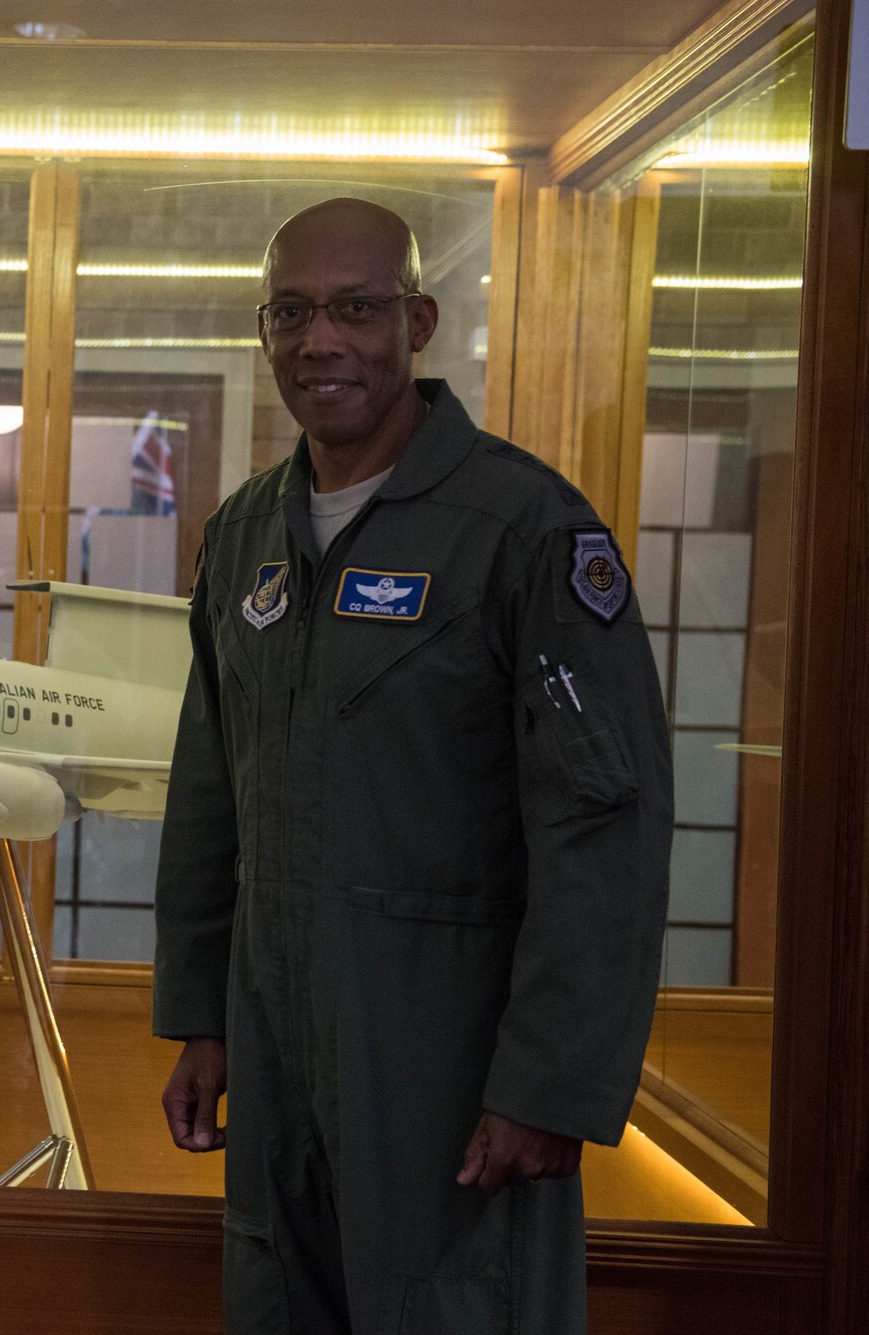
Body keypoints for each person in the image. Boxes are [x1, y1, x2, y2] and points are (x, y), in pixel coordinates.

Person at [153, 198, 672, 1334]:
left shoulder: (522, 531)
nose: (318, 341)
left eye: (354, 309)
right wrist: (205, 1018)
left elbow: (602, 827)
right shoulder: (245, 536)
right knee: (278, 1297)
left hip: (447, 1048)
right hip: (277, 1029)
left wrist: (546, 1083)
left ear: (416, 320)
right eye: (289, 313)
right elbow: (209, 789)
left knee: (453, 1306)